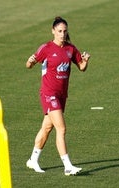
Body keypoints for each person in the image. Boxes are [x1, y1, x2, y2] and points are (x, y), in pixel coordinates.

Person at [25, 16, 90, 176]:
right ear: (53, 31)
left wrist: (86, 61)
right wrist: (30, 62)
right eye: (59, 31)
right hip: (49, 94)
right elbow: (29, 64)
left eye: (65, 31)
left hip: (62, 95)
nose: (62, 34)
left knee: (47, 128)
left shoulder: (70, 49)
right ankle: (67, 166)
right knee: (61, 128)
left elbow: (81, 67)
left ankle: (33, 160)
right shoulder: (46, 48)